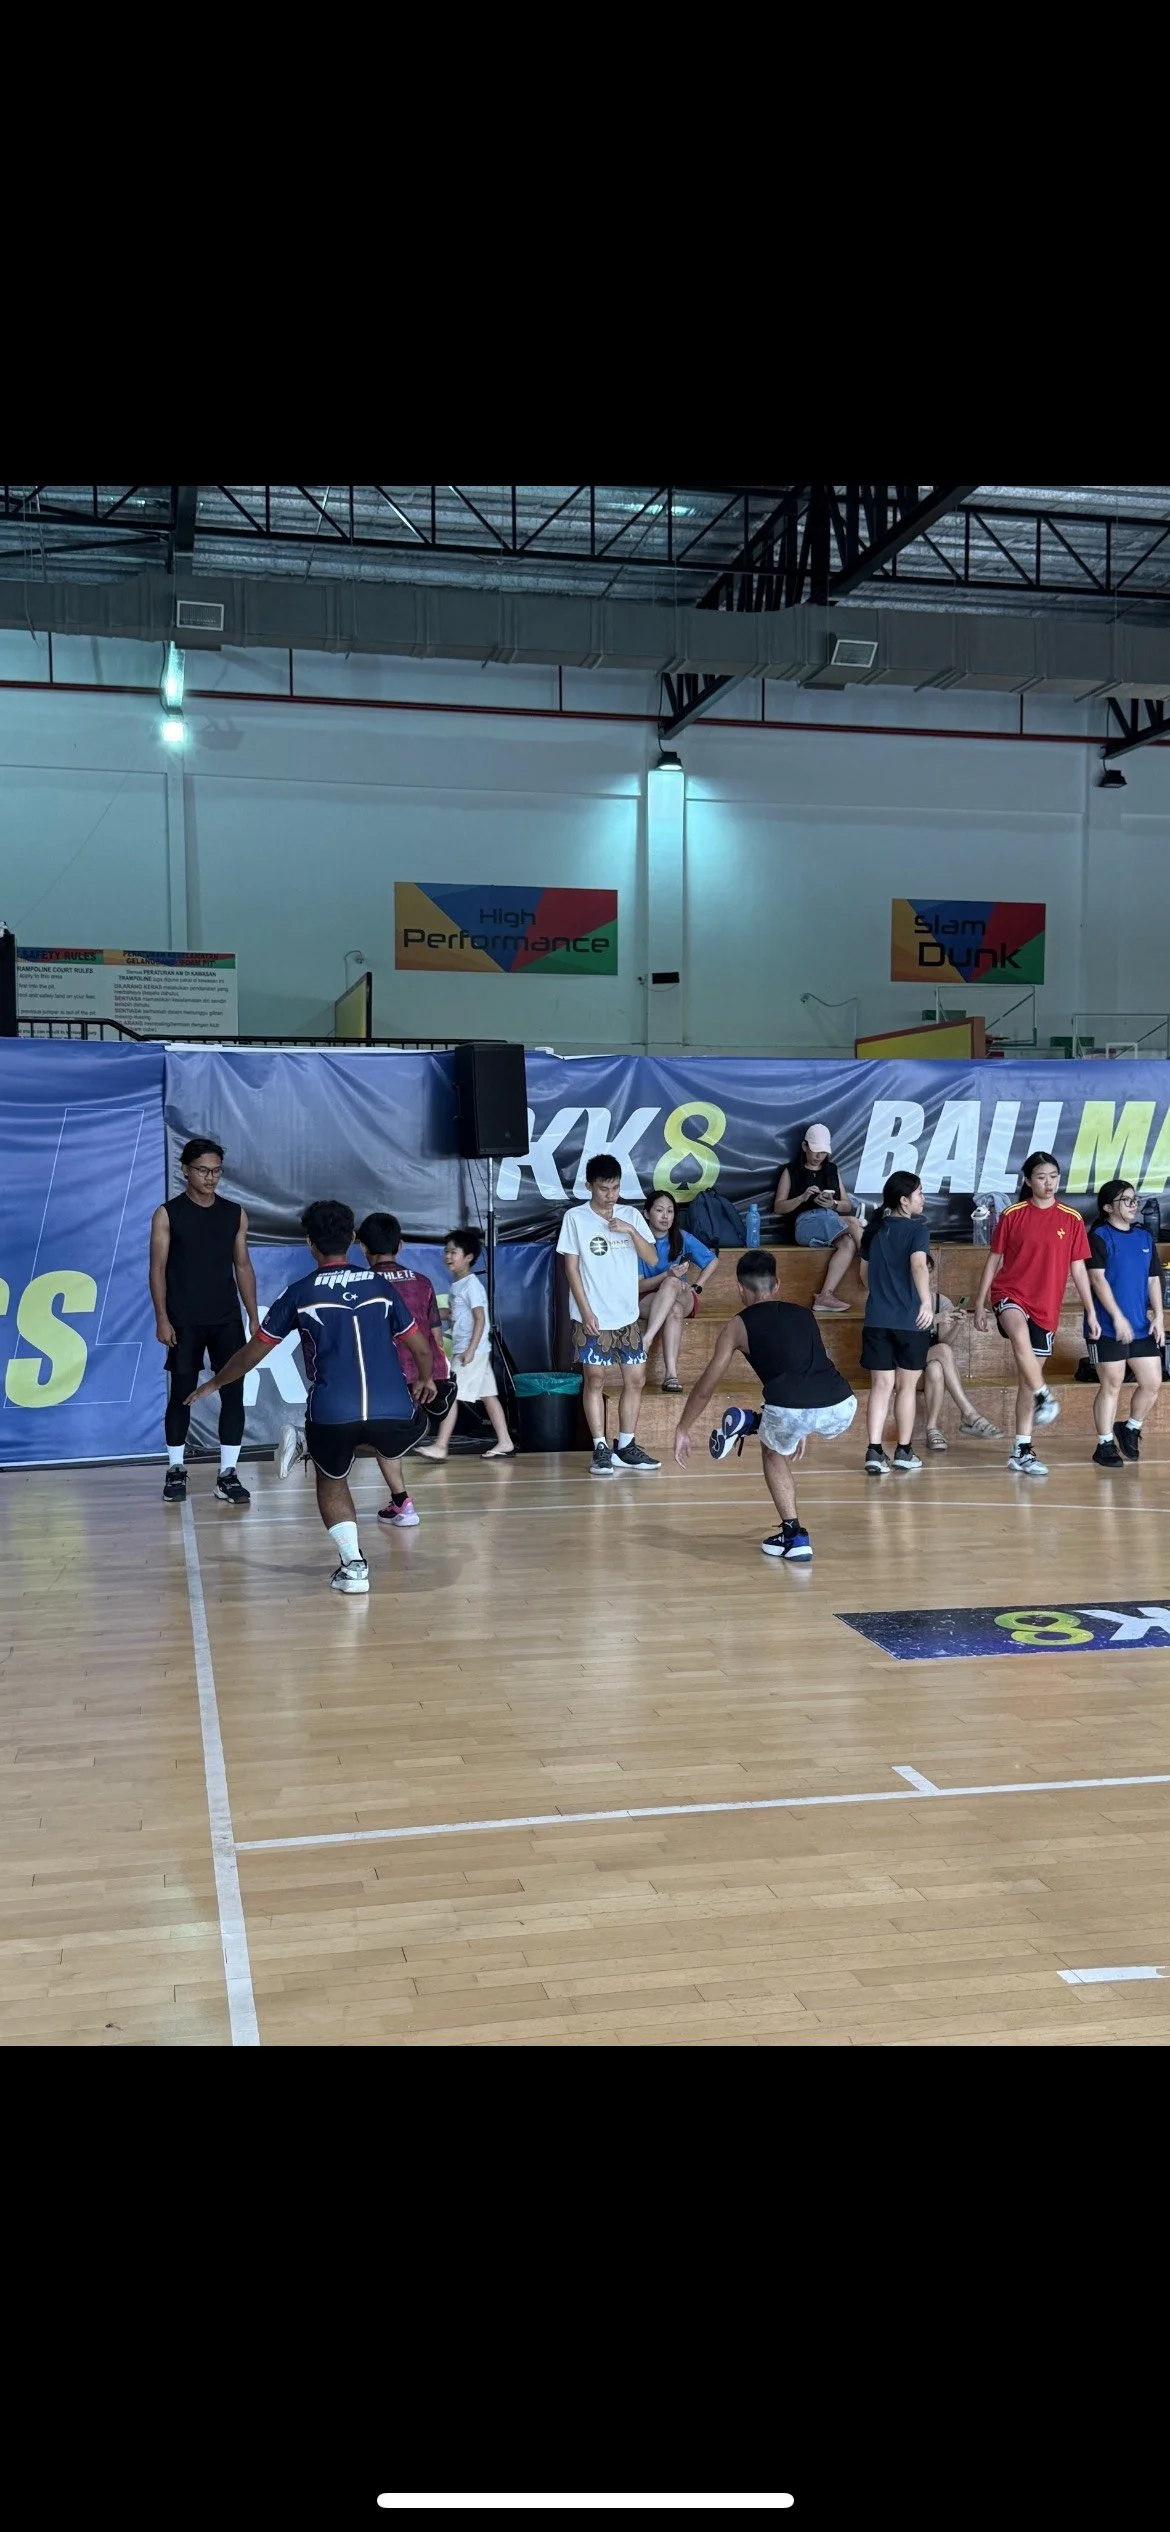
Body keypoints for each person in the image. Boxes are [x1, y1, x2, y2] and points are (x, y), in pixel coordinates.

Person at [187, 1200, 436, 1595]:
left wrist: (215, 1383)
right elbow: (422, 1349)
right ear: (353, 1239)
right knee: (399, 1429)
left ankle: (353, 1565)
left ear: (310, 1244)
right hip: (398, 1416)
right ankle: (315, 1443)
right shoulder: (381, 1287)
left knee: (331, 1472)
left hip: (332, 1414)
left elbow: (254, 1352)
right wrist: (426, 1379)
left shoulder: (300, 1293)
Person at [673, 1249, 857, 1558]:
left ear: (740, 1288)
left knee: (773, 1453)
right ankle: (755, 1423)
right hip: (842, 1405)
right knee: (787, 1425)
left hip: (791, 1409)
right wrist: (798, 1429)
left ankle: (794, 1536)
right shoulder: (804, 1314)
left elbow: (707, 1387)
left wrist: (683, 1427)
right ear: (778, 1284)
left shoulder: (737, 1326)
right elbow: (810, 1370)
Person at [149, 1136, 260, 1506]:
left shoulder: (234, 1212)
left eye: (216, 1171)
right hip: (183, 1321)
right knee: (181, 1394)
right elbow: (157, 1269)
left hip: (226, 1318)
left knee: (233, 1394)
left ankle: (227, 1475)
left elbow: (242, 1265)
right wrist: (162, 1318)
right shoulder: (167, 1214)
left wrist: (253, 1316)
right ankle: (176, 1468)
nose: (210, 1178)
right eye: (202, 1170)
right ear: (185, 1170)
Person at [972, 1151, 1097, 1478]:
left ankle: (1022, 1449)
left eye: (1053, 1176)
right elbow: (993, 1260)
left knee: (1028, 1380)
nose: (1049, 1183)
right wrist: (981, 1303)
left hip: (1046, 1307)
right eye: (1041, 1177)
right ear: (1028, 1181)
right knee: (1019, 1335)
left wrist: (1092, 1311)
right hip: (1010, 1294)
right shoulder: (1013, 1215)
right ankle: (1046, 1396)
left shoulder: (1071, 1219)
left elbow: (1079, 1270)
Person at [556, 1153, 662, 1477]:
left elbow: (653, 1258)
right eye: (603, 1188)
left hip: (626, 1315)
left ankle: (626, 1445)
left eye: (615, 1188)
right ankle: (600, 1446)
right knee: (595, 1379)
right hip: (593, 1316)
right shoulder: (575, 1218)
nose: (610, 1195)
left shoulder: (630, 1215)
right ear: (589, 1186)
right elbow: (571, 1268)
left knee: (636, 1379)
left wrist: (630, 1230)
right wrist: (585, 1311)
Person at [359, 1212, 457, 1519]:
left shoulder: (362, 1284)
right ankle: (401, 1499)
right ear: (400, 1246)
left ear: (362, 1247)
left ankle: (402, 1502)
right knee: (383, 1437)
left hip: (392, 1381)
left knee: (373, 1437)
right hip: (434, 1381)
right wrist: (429, 1375)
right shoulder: (423, 1282)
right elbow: (436, 1339)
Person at [1084, 1179, 1164, 1468]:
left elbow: (1154, 1279)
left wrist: (1159, 1316)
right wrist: (1117, 1318)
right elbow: (1096, 1279)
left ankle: (1130, 1428)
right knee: (1112, 1384)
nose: (1133, 1204)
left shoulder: (1144, 1238)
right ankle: (1104, 1443)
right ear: (1108, 1207)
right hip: (1105, 1327)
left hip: (1141, 1325)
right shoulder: (1100, 1237)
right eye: (1125, 1200)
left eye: (1135, 1199)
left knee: (1153, 1383)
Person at [417, 1229, 514, 1461]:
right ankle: (505, 1441)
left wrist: (470, 1350)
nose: (448, 1256)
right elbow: (452, 1313)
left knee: (452, 1396)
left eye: (454, 1252)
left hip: (472, 1351)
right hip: (474, 1350)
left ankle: (441, 1445)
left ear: (468, 1257)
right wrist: (425, 1314)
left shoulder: (471, 1285)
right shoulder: (458, 1285)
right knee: (489, 1396)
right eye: (446, 1251)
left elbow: (480, 1318)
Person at [859, 1171, 933, 1475]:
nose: (923, 1198)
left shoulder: (873, 1231)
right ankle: (904, 1450)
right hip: (909, 1320)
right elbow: (918, 1264)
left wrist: (880, 1293)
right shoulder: (917, 1230)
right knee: (906, 1387)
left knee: (881, 1386)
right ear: (904, 1200)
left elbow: (863, 1275)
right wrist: (926, 1301)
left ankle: (874, 1452)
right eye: (919, 1193)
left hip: (876, 1319)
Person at [772, 1123, 863, 1314]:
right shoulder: (791, 1171)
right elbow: (779, 1207)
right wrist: (802, 1198)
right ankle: (873, 1271)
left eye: (823, 1152)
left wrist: (833, 1204)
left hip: (829, 1219)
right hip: (804, 1224)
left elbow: (846, 1205)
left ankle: (824, 1296)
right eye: (815, 1151)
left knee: (848, 1243)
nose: (819, 1156)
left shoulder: (832, 1170)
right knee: (855, 1223)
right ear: (805, 1146)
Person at [637, 1189, 719, 1392]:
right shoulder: (638, 1242)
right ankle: (671, 1375)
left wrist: (697, 1286)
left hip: (684, 1296)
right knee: (672, 1304)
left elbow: (712, 1261)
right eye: (659, 1210)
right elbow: (638, 1287)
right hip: (648, 1297)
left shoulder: (682, 1238)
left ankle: (646, 1339)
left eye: (670, 1211)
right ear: (647, 1213)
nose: (665, 1216)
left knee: (673, 1285)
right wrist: (667, 1275)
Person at [920, 1252, 1001, 1450]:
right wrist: (934, 1320)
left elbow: (944, 1342)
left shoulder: (940, 1301)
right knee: (942, 1352)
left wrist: (956, 1325)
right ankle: (968, 1413)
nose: (925, 1278)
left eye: (929, 1272)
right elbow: (899, 1332)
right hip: (905, 1366)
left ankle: (932, 1429)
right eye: (921, 1271)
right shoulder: (900, 1300)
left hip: (928, 1365)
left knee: (936, 1368)